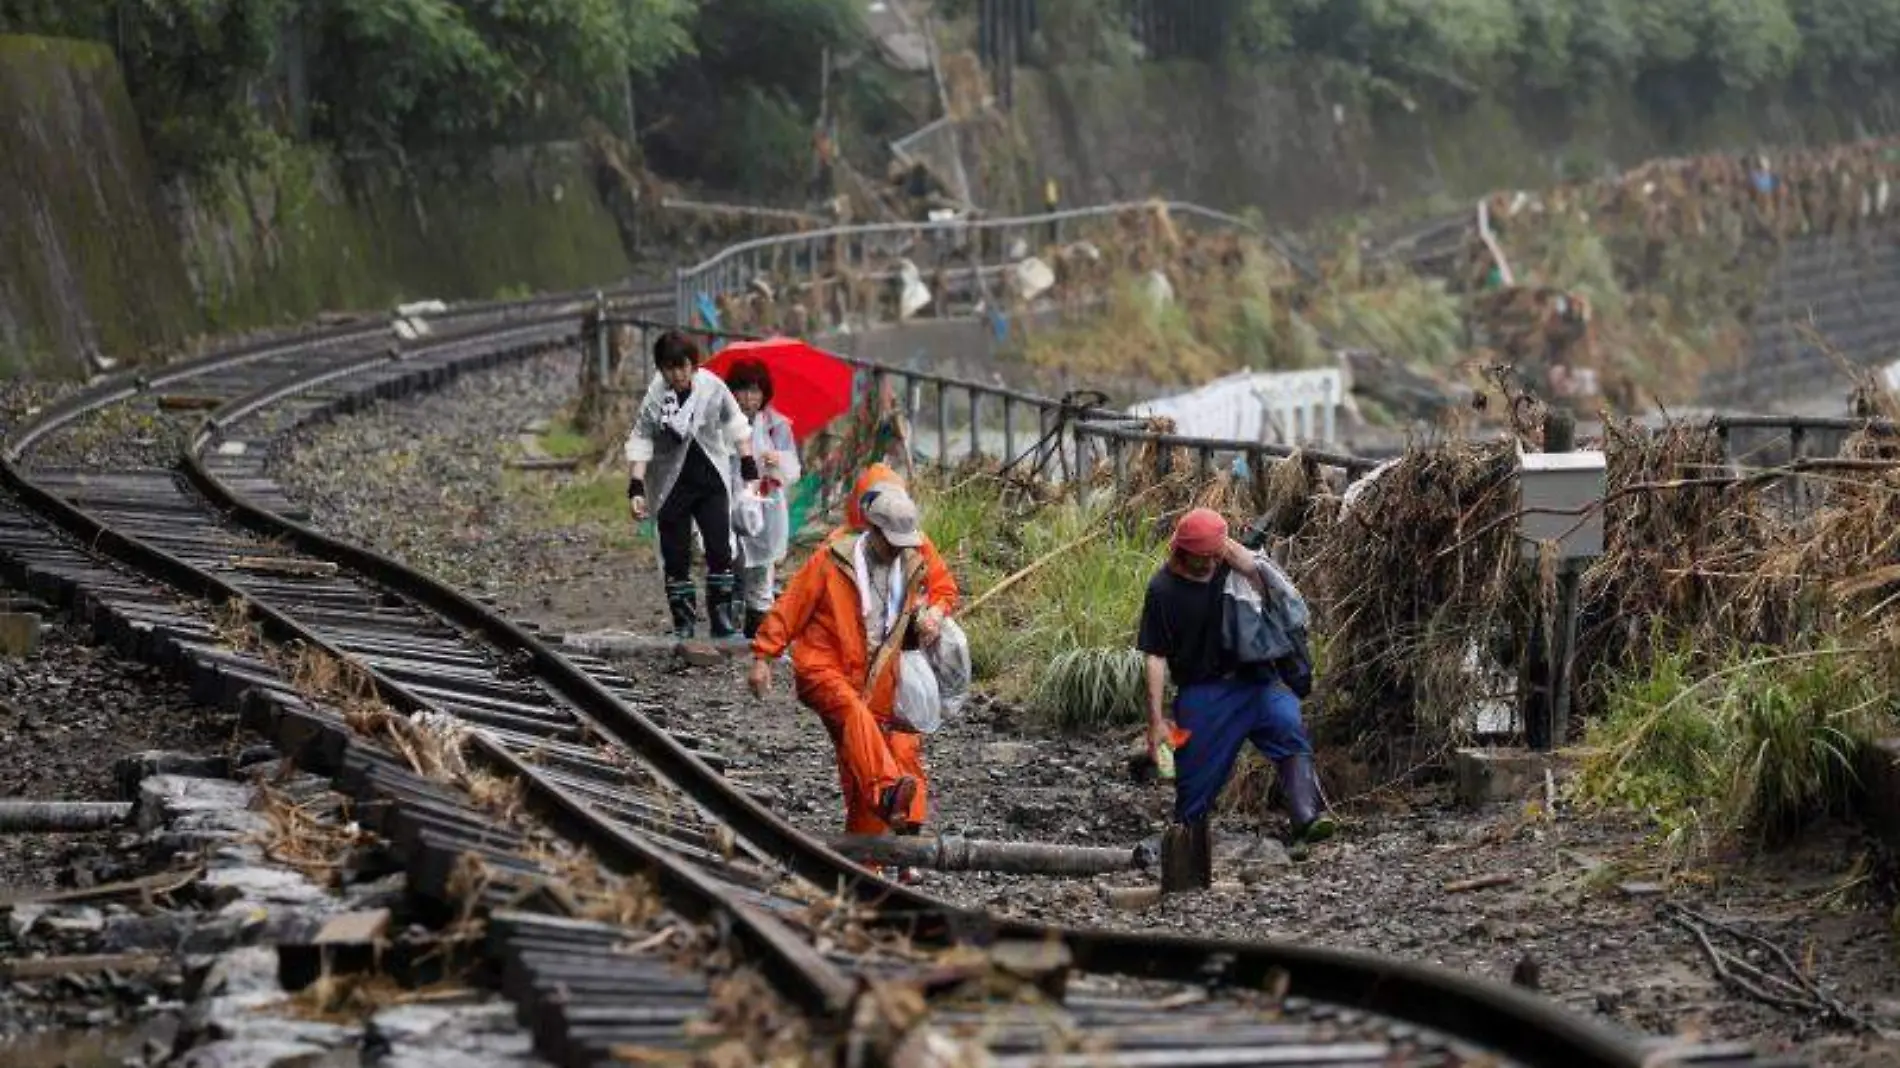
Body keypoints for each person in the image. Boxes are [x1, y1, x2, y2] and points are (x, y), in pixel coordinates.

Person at [748, 485, 946, 839]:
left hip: (877, 682)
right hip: (824, 669)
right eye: (892, 541)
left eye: (904, 542)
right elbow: (791, 605)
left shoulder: (912, 566)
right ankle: (888, 792)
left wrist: (925, 621)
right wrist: (764, 655)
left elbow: (926, 604)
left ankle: (866, 864)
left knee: (862, 769)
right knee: (857, 721)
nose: (898, 549)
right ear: (872, 530)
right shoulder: (830, 561)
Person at [1137, 507, 1336, 846]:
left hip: (1255, 680)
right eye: (1206, 557)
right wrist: (1156, 719)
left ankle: (1307, 818)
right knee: (1195, 779)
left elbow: (1278, 596)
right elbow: (1155, 656)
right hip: (1203, 692)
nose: (1213, 563)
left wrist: (1249, 564)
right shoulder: (1162, 589)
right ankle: (1185, 839)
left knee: (1288, 726)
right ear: (1184, 553)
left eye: (1218, 553)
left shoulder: (1233, 566)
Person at [625, 331, 759, 640]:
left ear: (693, 365)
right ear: (660, 369)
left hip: (711, 479)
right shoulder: (655, 397)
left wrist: (748, 462)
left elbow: (736, 423)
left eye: (684, 366)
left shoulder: (712, 387)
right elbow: (641, 438)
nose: (679, 375)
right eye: (670, 368)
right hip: (671, 485)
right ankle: (683, 621)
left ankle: (721, 619)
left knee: (719, 549)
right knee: (676, 554)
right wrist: (635, 487)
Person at [723, 359, 802, 639]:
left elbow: (793, 469)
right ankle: (727, 627)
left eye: (755, 391)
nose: (749, 398)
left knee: (761, 568)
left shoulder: (775, 425)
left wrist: (777, 460)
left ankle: (757, 633)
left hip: (766, 507)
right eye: (742, 390)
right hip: (730, 502)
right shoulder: (722, 424)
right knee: (728, 565)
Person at [825, 462, 958, 620]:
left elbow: (944, 590)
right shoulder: (835, 548)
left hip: (895, 633)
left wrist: (934, 612)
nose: (895, 550)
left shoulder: (917, 543)